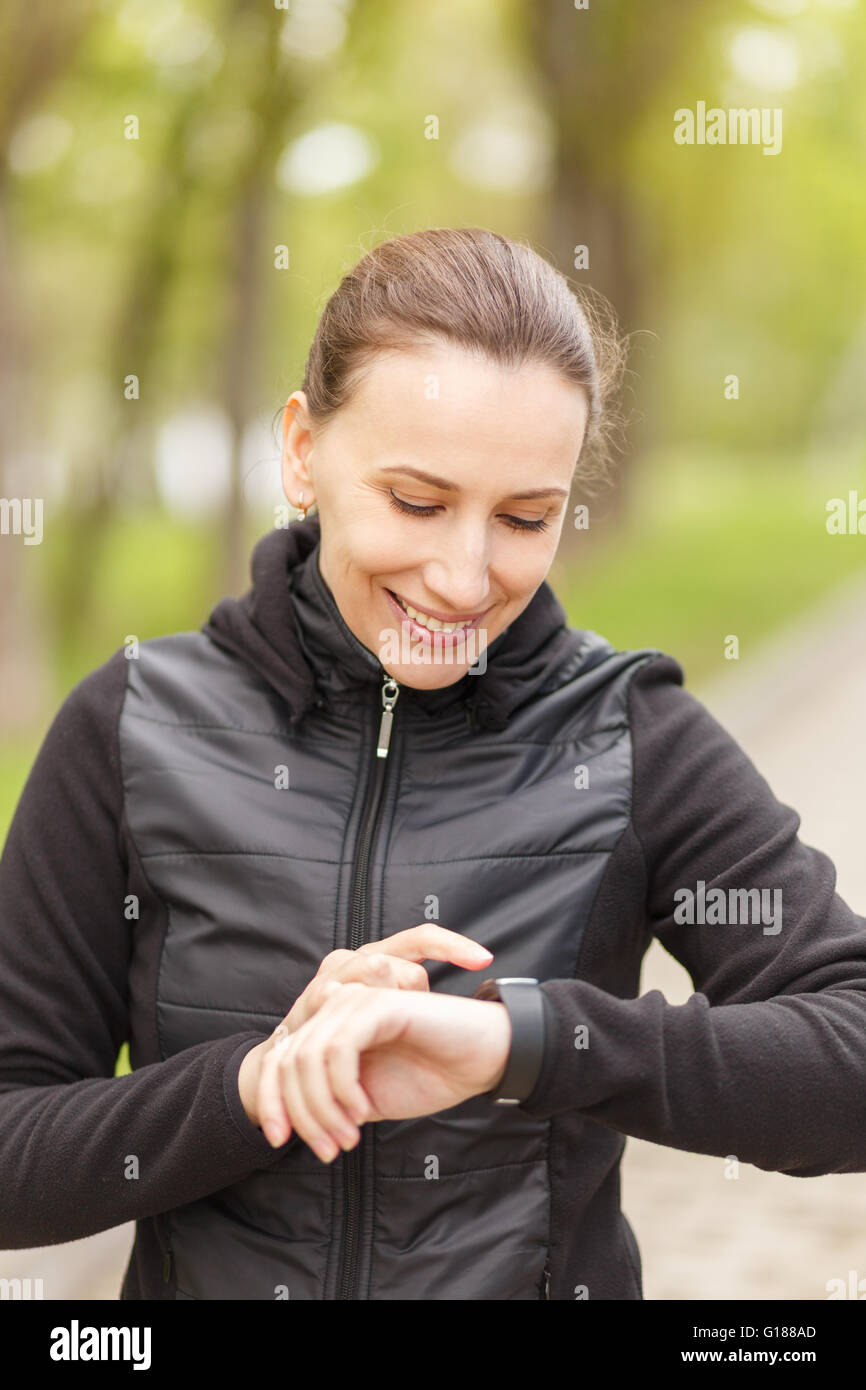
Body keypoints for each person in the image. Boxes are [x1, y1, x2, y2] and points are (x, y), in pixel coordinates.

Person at [2, 226, 866, 1303]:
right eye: (416, 502)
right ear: (302, 450)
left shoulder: (633, 736)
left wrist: (527, 1041)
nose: (463, 579)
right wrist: (255, 1086)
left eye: (523, 518)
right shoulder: (128, 728)